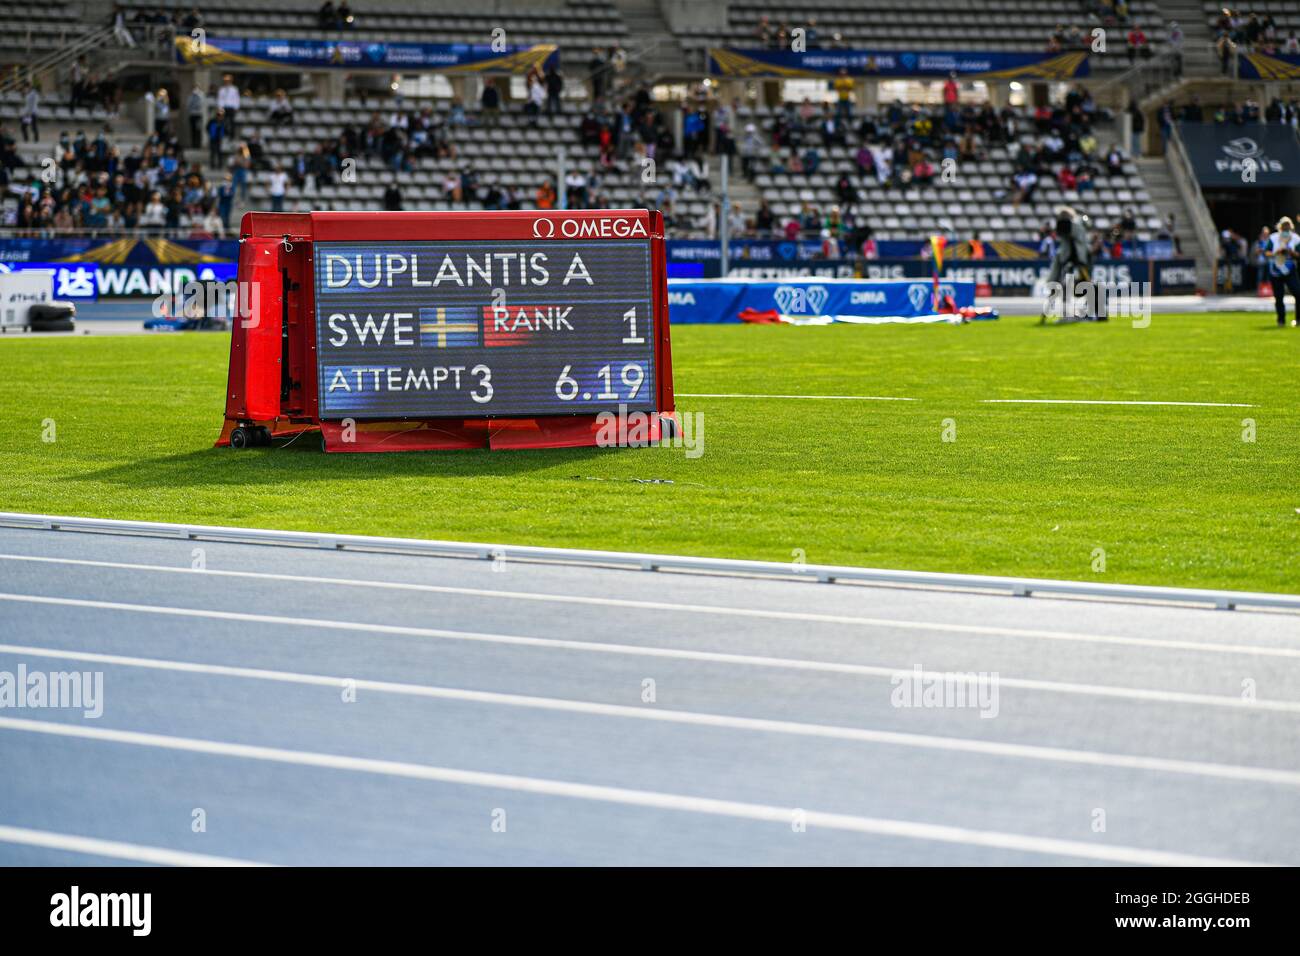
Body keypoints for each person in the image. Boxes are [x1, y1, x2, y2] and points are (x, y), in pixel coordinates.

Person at [1264, 216, 1300, 326]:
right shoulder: (1273, 237)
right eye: (1283, 227)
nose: (1285, 229)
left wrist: (1291, 252)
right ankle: (1281, 320)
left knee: (1298, 293)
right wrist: (1276, 252)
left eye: (1287, 227)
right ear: (1280, 227)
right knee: (1278, 296)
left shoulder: (1295, 238)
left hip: (1290, 269)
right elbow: (1267, 252)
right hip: (1276, 269)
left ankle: (1298, 319)